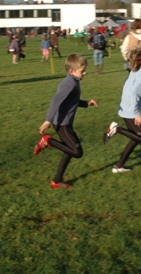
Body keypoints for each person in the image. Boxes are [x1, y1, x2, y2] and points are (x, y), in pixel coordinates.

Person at [34, 54, 99, 189]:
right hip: (62, 124)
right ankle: (47, 141)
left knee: (69, 151)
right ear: (71, 71)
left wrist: (86, 103)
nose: (85, 73)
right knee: (77, 152)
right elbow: (55, 100)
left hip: (65, 123)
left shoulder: (72, 82)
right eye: (82, 71)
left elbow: (71, 101)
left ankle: (57, 181)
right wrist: (47, 121)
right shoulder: (69, 84)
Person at [103, 45, 141, 173]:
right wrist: (136, 113)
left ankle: (119, 165)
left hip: (126, 109)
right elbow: (134, 94)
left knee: (135, 138)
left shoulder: (136, 71)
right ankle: (117, 129)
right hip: (130, 111)